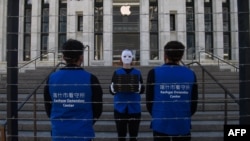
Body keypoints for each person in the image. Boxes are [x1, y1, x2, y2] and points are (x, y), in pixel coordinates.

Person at [43, 39, 103, 141]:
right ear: (81, 57)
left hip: (59, 132)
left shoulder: (52, 78)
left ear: (63, 57)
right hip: (83, 132)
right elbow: (98, 108)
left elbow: (48, 106)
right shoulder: (91, 78)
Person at [146, 41, 198, 141]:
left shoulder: (153, 73)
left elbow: (149, 101)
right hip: (182, 122)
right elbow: (193, 103)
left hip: (160, 121)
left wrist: (157, 114)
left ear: (165, 54)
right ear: (182, 56)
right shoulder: (191, 74)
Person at [109, 49, 145, 141]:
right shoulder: (116, 73)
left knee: (134, 136)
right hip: (120, 108)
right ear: (121, 58)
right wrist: (112, 88)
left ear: (132, 58)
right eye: (124, 56)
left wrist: (140, 88)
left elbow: (142, 89)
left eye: (129, 56)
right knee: (121, 136)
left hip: (134, 108)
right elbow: (112, 90)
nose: (127, 58)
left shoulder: (138, 73)